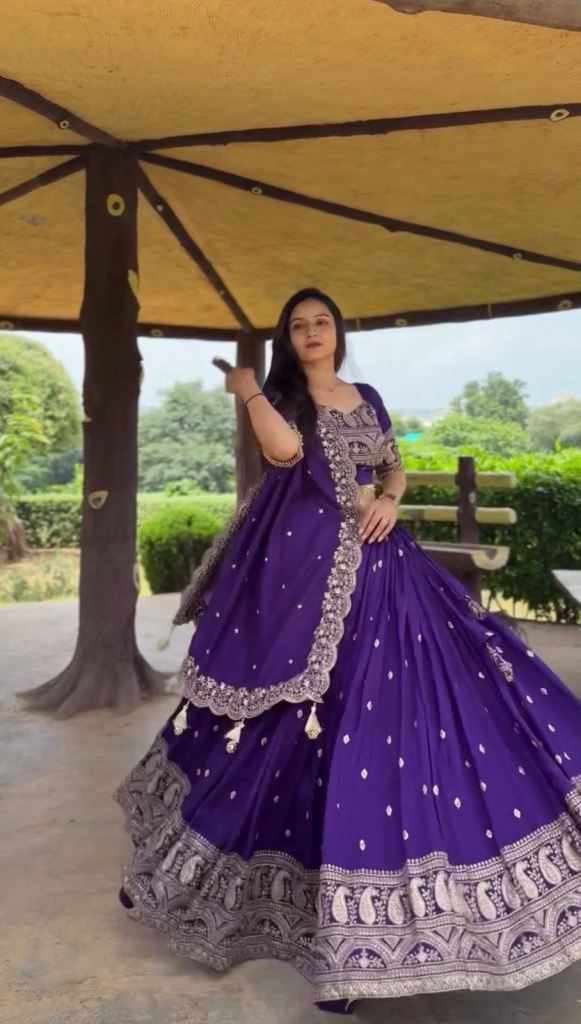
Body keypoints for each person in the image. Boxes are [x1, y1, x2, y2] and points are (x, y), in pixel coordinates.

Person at [115, 287, 581, 1015]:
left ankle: (395, 917)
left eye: (321, 322)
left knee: (417, 712)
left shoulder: (367, 396)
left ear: (336, 332)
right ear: (287, 339)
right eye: (298, 325)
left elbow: (392, 466)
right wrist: (247, 389)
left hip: (388, 571)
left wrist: (391, 497)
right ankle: (251, 890)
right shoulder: (282, 399)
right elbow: (283, 452)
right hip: (307, 577)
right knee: (292, 726)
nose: (311, 332)